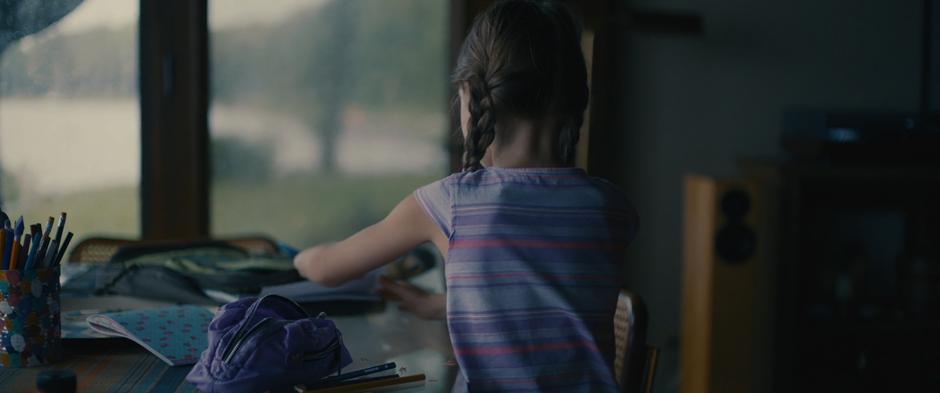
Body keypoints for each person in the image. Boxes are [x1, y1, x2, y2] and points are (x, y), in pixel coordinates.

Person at [294, 1, 637, 391]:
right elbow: (546, 299)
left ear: (471, 94)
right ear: (577, 100)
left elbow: (328, 268)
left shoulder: (451, 203)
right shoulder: (612, 208)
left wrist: (299, 257)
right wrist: (446, 303)